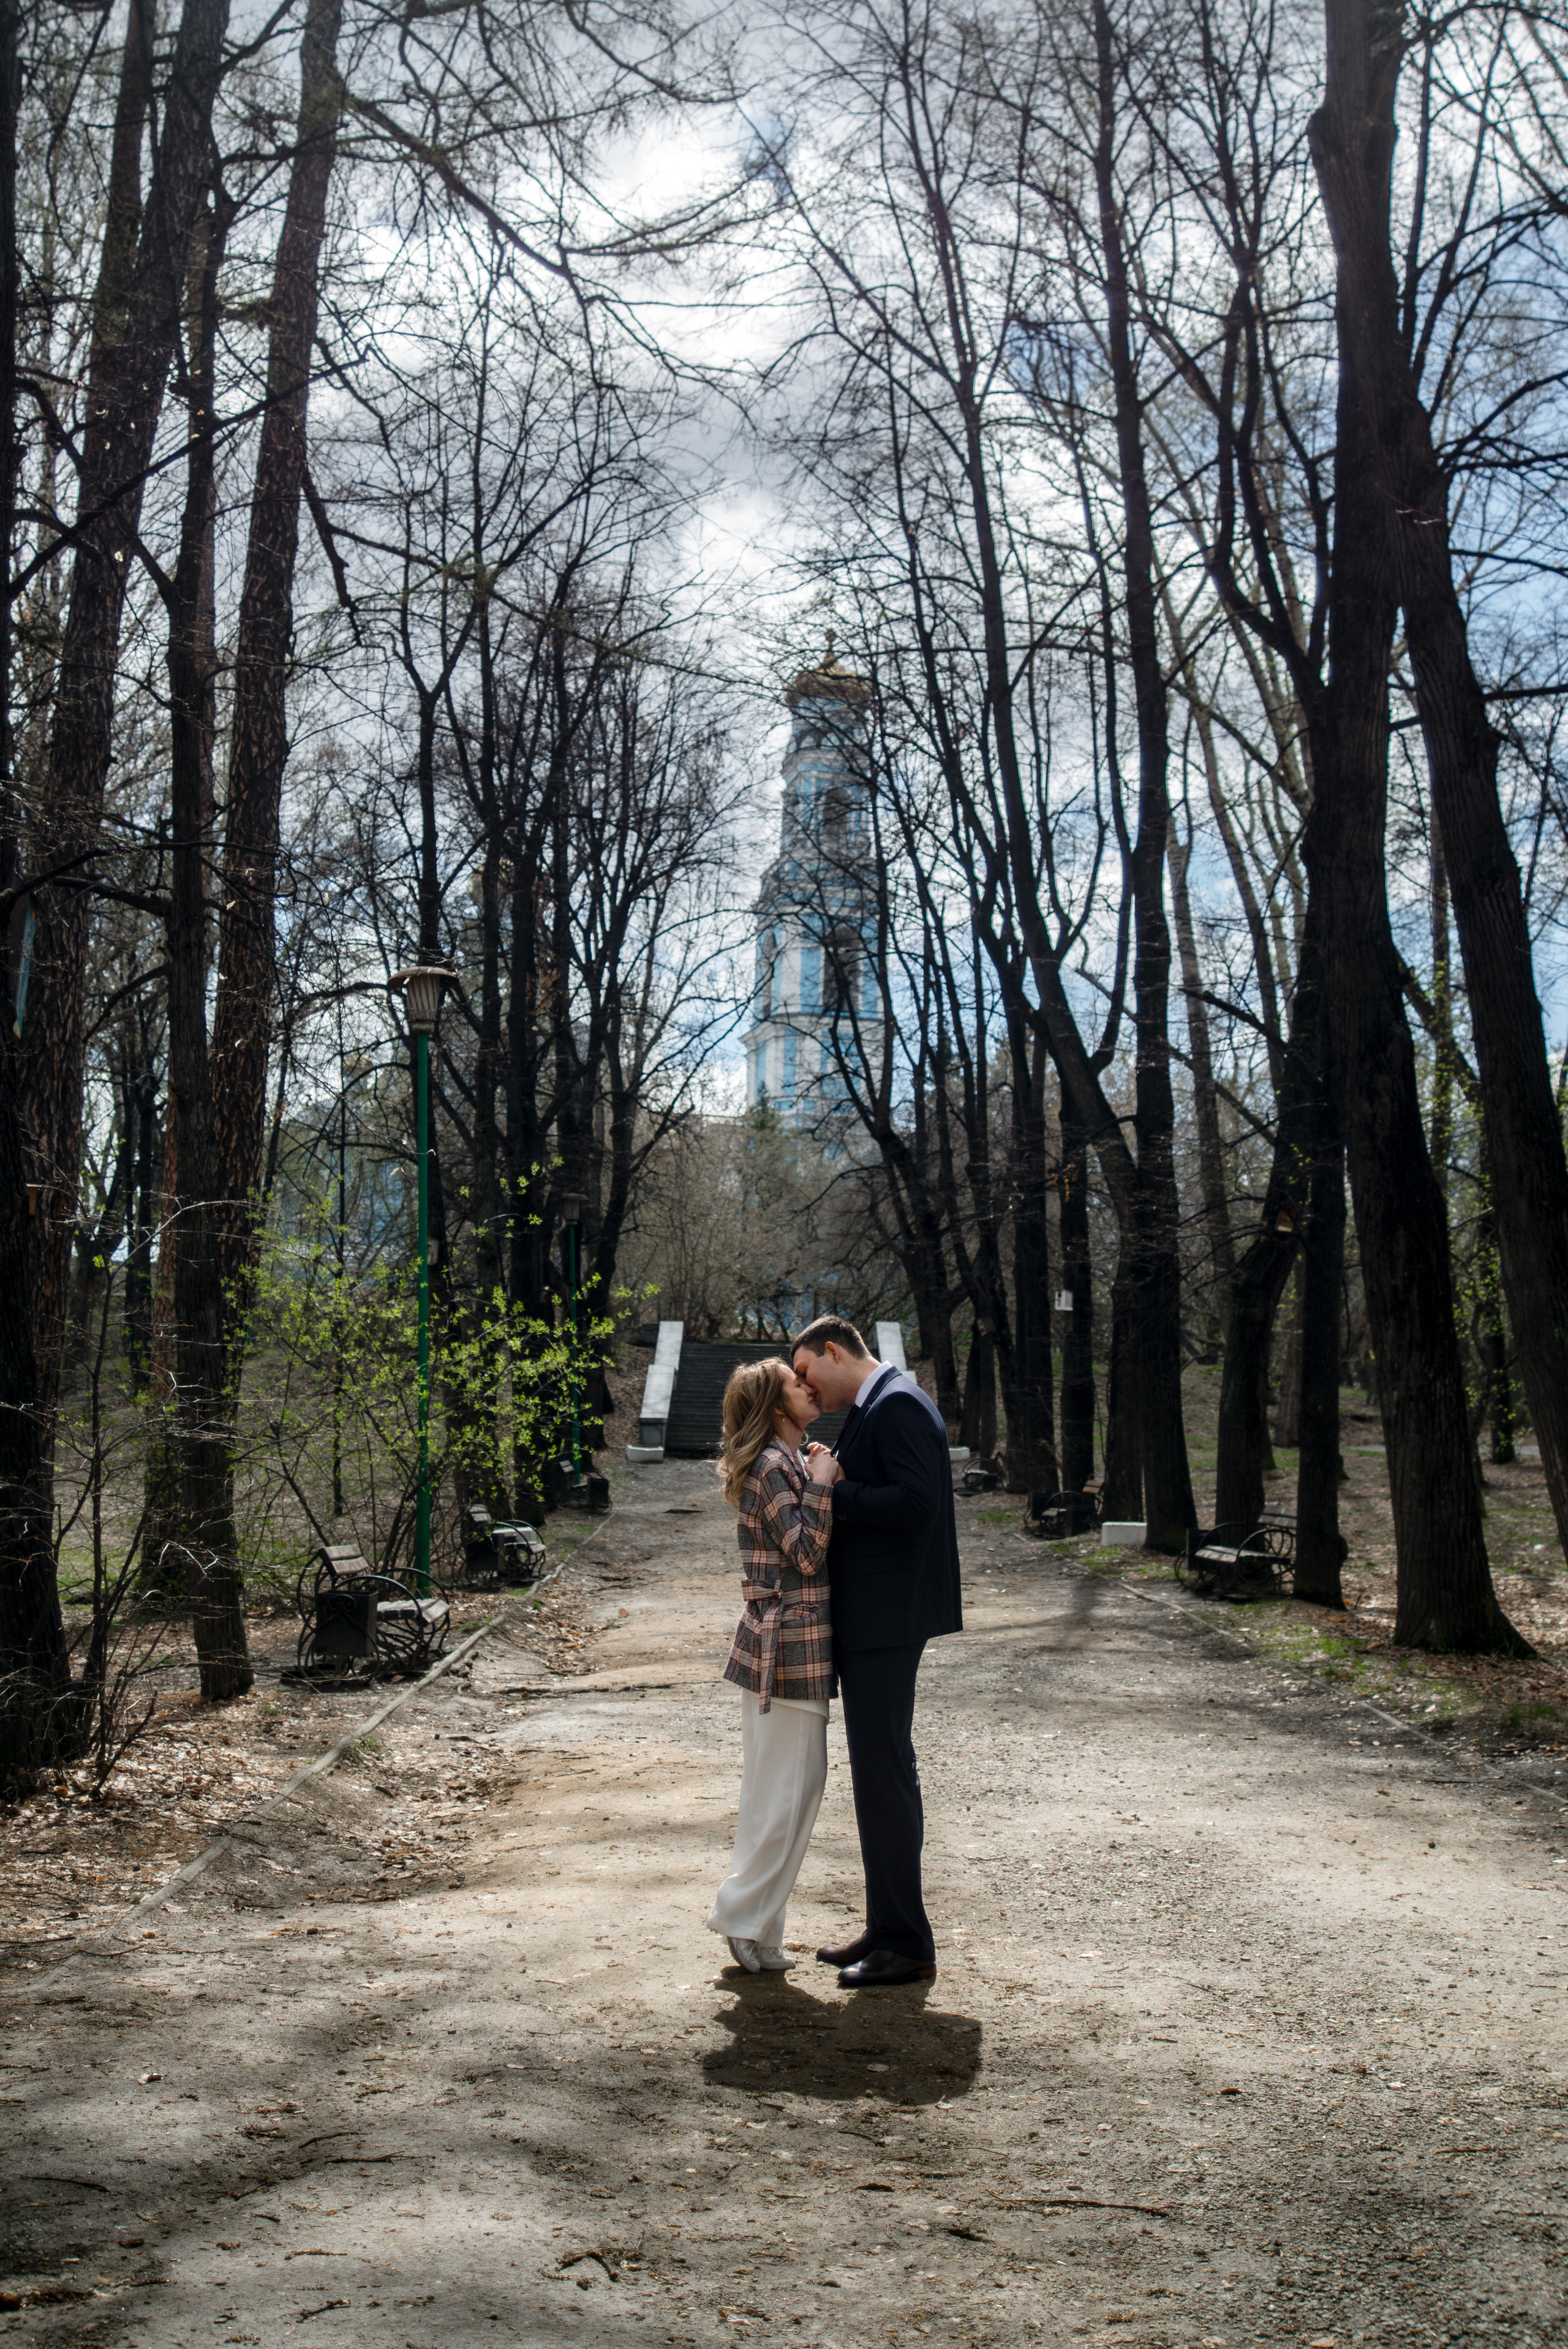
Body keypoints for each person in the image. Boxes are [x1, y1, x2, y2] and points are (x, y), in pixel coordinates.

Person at [791, 1315, 962, 1988]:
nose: (806, 1388)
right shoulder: (882, 1404)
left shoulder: (895, 1405)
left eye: (806, 1373)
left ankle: (907, 1941)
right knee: (880, 1776)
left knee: (884, 1776)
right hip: (879, 1617)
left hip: (887, 1619)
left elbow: (917, 1504)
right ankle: (888, 1926)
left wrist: (833, 1490)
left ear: (833, 1353)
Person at [707, 1357, 840, 1973]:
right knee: (788, 1793)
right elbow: (807, 1554)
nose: (808, 1386)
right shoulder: (771, 1467)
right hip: (787, 1646)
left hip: (786, 1644)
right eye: (796, 1383)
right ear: (776, 1405)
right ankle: (743, 1918)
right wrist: (822, 1480)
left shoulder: (781, 1462)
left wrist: (812, 1470)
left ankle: (757, 1925)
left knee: (781, 1792)